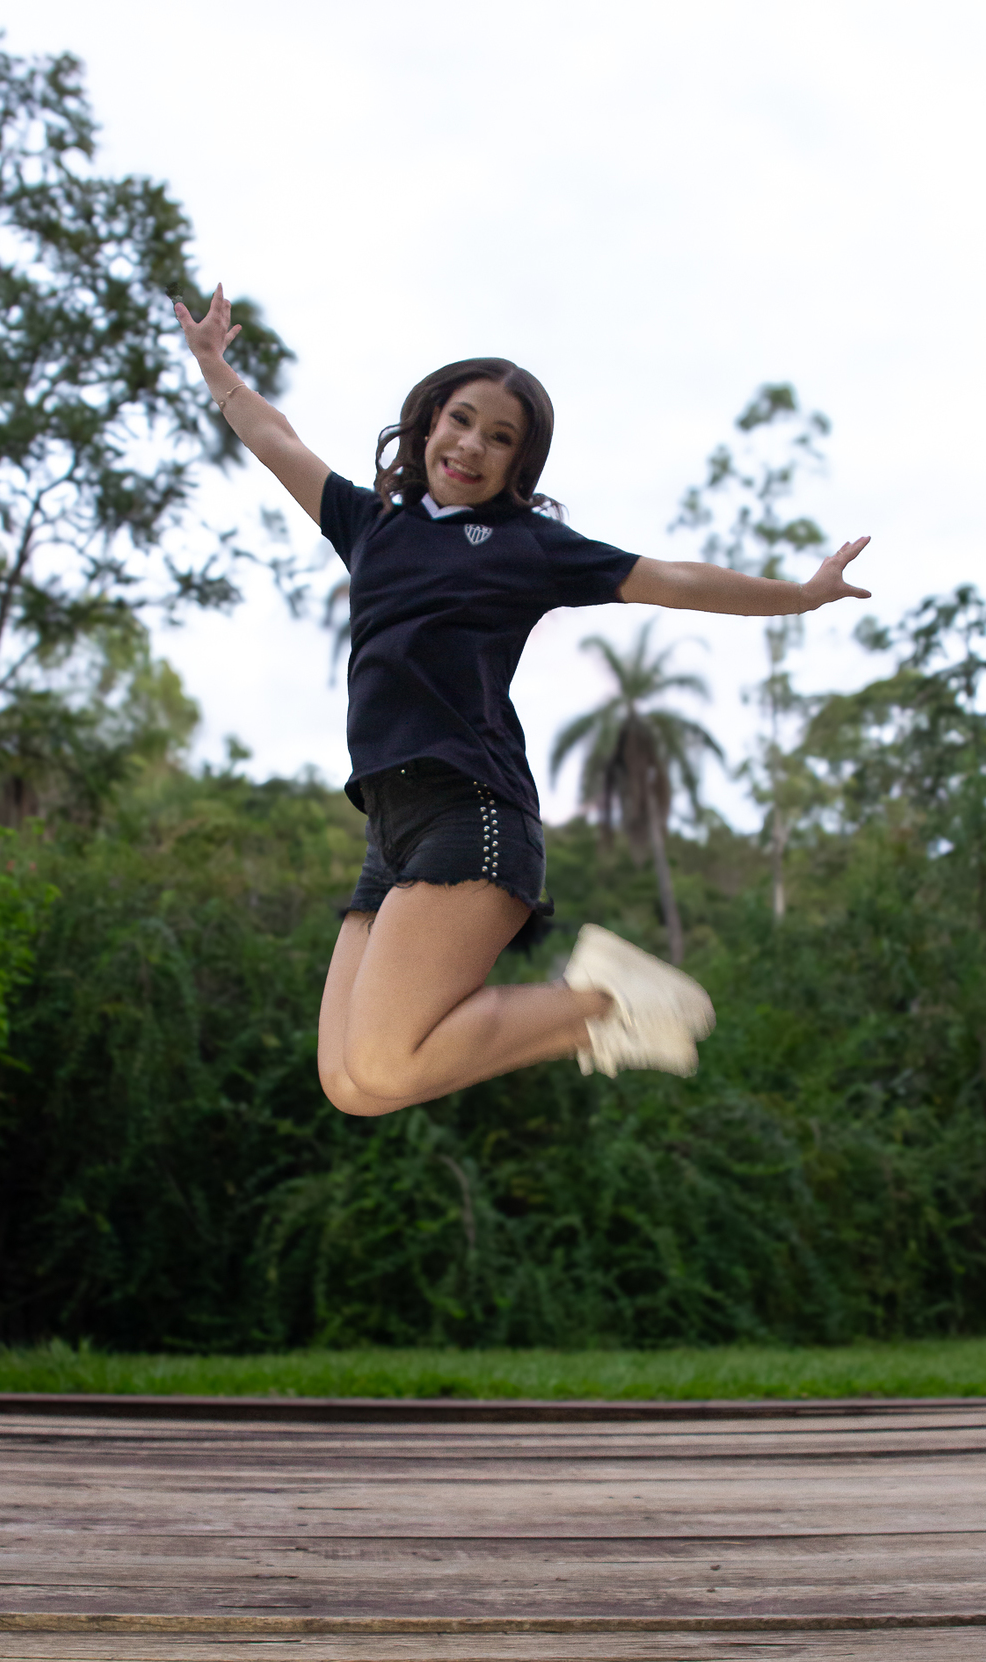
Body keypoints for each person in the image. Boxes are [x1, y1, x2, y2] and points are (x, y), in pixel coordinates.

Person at [174, 288, 870, 1117]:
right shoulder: (371, 525)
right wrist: (215, 367)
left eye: (500, 438)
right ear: (429, 424)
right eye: (462, 420)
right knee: (352, 1084)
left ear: (517, 465)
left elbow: (671, 579)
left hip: (469, 810)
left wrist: (800, 595)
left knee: (387, 1065)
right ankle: (600, 1018)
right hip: (389, 831)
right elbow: (277, 440)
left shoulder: (526, 547)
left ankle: (604, 1000)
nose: (472, 445)